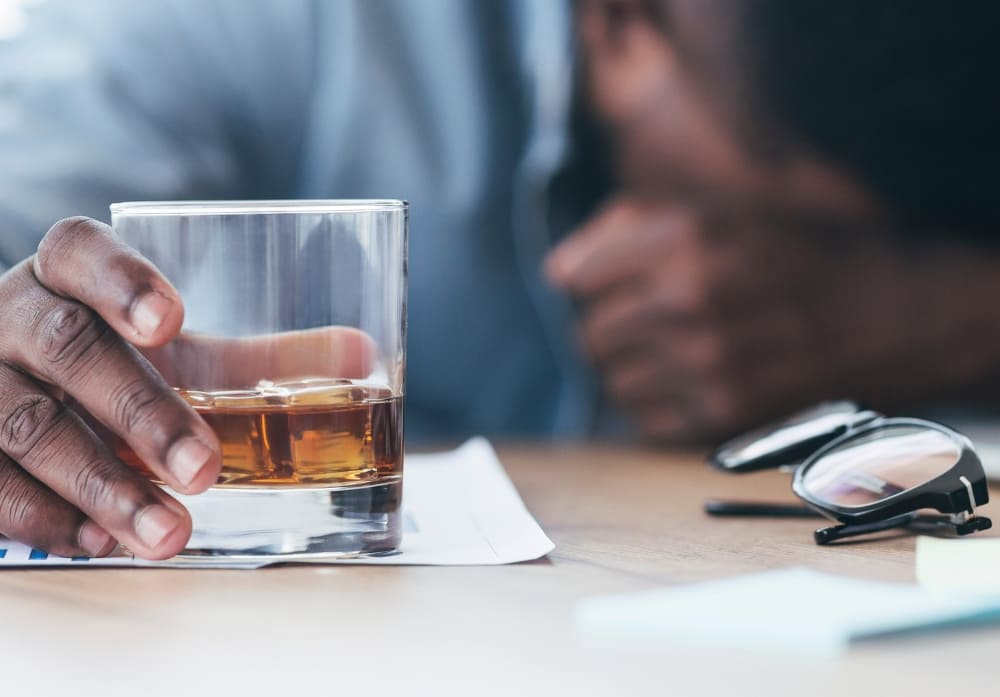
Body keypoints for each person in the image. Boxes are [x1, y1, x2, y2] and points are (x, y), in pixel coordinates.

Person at [0, 0, 998, 560]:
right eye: (778, 212)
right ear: (621, 22)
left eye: (852, 241)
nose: (792, 264)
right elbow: (22, 257)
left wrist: (946, 307)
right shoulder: (259, 26)